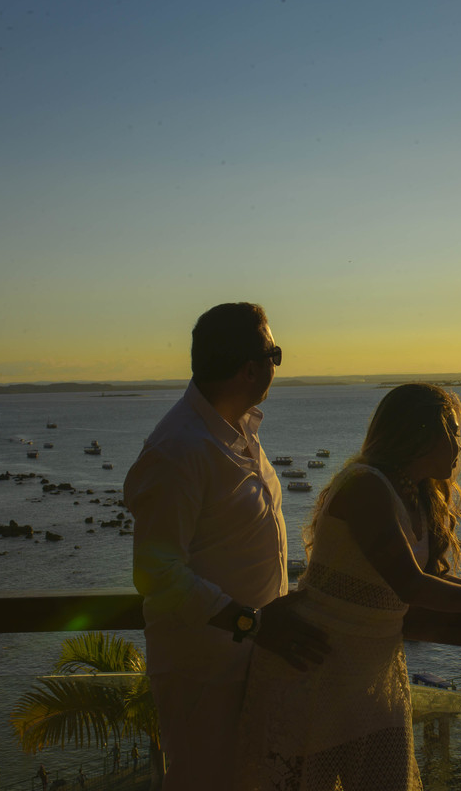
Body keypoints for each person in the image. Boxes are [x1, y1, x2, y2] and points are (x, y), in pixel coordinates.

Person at [235, 383, 461, 790]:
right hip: (315, 670)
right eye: (453, 431)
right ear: (421, 433)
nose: (460, 444)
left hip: (372, 674)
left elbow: (426, 578)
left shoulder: (414, 491)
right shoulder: (366, 485)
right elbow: (410, 584)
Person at [126, 302, 328, 791]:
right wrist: (251, 623)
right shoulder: (180, 449)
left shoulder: (237, 431)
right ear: (249, 369)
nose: (278, 365)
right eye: (275, 354)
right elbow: (157, 575)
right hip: (205, 673)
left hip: (252, 662)